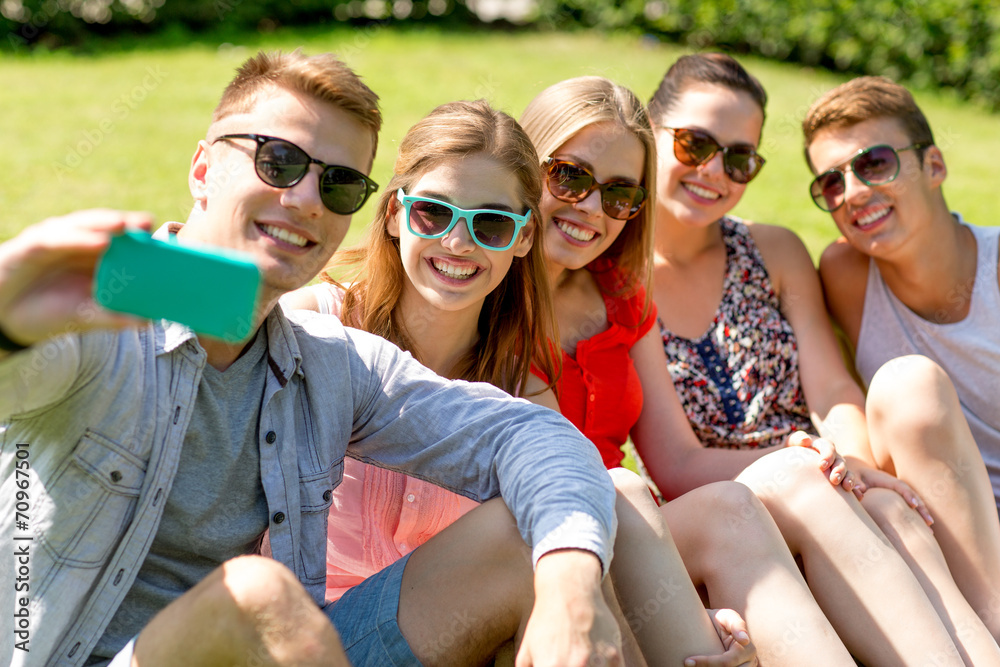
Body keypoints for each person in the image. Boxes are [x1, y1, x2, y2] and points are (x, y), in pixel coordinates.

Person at [0, 50, 629, 667]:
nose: (306, 200)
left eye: (338, 183)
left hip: (285, 650)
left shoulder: (329, 364)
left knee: (535, 539)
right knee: (255, 596)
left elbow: (530, 434)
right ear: (202, 169)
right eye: (278, 162)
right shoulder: (97, 315)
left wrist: (572, 590)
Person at [282, 98, 756, 665]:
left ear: (524, 237)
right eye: (434, 213)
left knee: (598, 499)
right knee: (535, 535)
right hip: (307, 634)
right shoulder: (315, 323)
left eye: (490, 223)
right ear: (393, 215)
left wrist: (664, 612)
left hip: (456, 634)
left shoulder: (520, 384)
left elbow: (568, 495)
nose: (459, 243)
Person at [642, 51, 1000, 660]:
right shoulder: (624, 282)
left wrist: (851, 465)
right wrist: (809, 464)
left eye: (738, 158)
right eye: (694, 144)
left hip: (823, 471)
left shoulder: (774, 251)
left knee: (893, 514)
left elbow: (832, 389)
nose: (713, 171)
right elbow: (675, 461)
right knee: (834, 496)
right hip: (738, 499)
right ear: (648, 136)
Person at [807, 74, 1000, 637]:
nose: (854, 192)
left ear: (934, 166)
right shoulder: (844, 274)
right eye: (832, 182)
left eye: (874, 164)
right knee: (905, 384)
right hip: (937, 528)